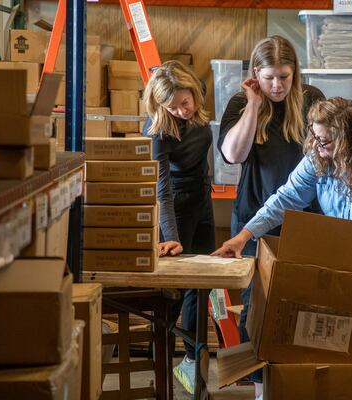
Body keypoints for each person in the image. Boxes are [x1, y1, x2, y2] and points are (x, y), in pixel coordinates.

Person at [213, 96, 352, 335]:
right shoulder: (320, 153)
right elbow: (287, 196)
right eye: (314, 137)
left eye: (324, 141)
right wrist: (243, 236)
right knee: (345, 356)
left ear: (349, 139)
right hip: (345, 273)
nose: (316, 147)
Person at [217, 35, 324, 397]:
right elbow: (233, 155)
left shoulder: (311, 100)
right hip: (254, 220)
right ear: (255, 75)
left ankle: (294, 385)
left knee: (300, 307)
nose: (277, 85)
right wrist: (253, 105)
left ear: (295, 74)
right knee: (256, 311)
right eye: (269, 78)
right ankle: (264, 392)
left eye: (284, 77)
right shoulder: (239, 102)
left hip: (304, 219)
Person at [142, 60, 214, 395]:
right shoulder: (158, 130)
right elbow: (162, 191)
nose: (182, 111)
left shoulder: (196, 94)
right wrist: (171, 238)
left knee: (205, 282)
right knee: (183, 286)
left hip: (203, 198)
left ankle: (194, 360)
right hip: (178, 205)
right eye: (173, 107)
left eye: (186, 103)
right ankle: (182, 356)